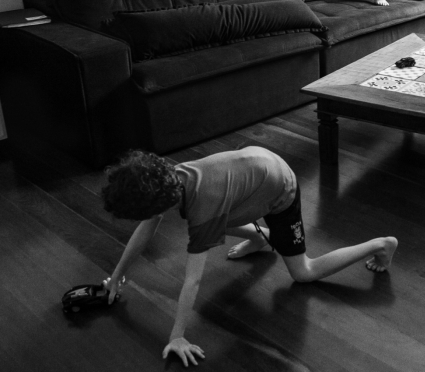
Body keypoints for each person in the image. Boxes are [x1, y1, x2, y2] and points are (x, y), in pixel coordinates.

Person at [101, 147, 398, 367]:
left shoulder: (202, 209)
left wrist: (177, 335)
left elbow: (193, 281)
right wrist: (117, 276)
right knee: (207, 221)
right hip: (253, 172)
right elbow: (147, 228)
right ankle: (260, 237)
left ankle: (380, 244)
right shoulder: (174, 176)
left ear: (154, 204)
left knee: (302, 273)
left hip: (280, 188)